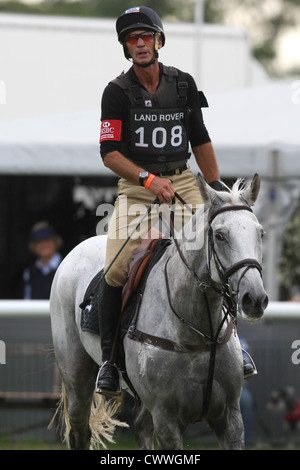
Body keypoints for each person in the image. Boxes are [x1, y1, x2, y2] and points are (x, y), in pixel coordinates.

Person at [96, 6, 255, 396]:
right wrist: (149, 179)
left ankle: (238, 347)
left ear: (159, 41)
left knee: (218, 252)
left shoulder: (182, 84)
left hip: (184, 181)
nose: (140, 43)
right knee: (116, 268)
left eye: (145, 36)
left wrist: (216, 189)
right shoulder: (115, 92)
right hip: (137, 185)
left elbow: (200, 140)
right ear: (126, 47)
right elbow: (109, 153)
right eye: (132, 38)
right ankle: (109, 363)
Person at [23, 222, 63, 300]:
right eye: (39, 241)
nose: (44, 244)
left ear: (56, 242)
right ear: (33, 246)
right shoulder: (30, 272)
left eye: (47, 240)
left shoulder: (66, 266)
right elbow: (27, 298)